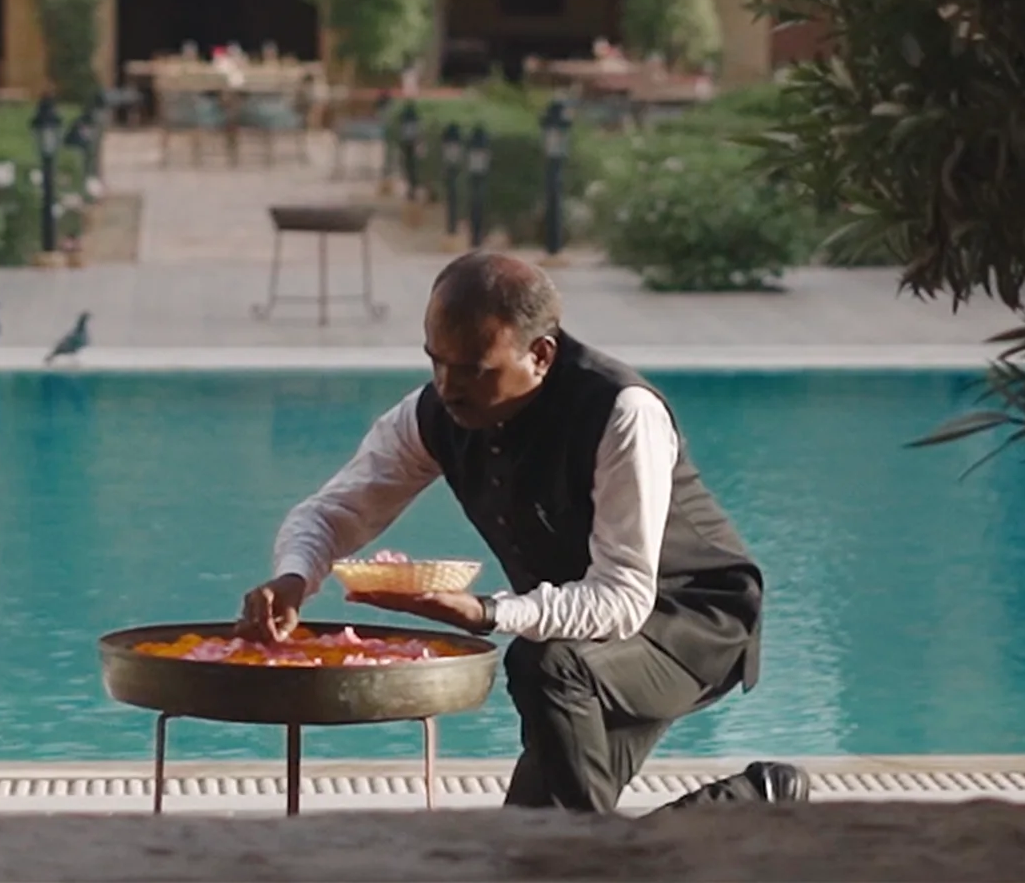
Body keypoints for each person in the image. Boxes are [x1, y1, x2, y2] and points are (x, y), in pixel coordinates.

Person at [240, 251, 808, 812]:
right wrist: (294, 577)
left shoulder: (621, 412)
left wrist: (489, 613)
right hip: (581, 642)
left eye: (473, 370)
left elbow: (625, 598)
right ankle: (755, 799)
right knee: (534, 848)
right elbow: (332, 512)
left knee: (545, 667)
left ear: (540, 355)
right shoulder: (434, 413)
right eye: (436, 361)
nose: (448, 386)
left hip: (690, 626)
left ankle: (629, 841)